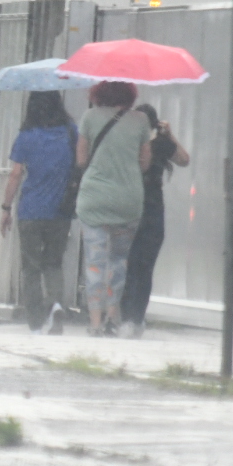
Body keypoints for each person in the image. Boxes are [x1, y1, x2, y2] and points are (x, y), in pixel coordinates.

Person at [75, 80, 152, 336]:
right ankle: (113, 318)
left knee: (95, 262)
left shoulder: (89, 117)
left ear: (99, 93)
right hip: (128, 199)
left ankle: (95, 323)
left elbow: (81, 159)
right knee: (118, 261)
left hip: (94, 198)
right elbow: (145, 163)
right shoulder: (141, 120)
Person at [0, 91, 78, 335]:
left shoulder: (27, 137)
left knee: (31, 267)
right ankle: (55, 305)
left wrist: (5, 208)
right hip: (61, 211)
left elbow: (15, 175)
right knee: (54, 263)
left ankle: (35, 322)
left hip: (31, 211)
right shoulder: (70, 132)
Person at [120, 103, 190, 336]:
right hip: (153, 210)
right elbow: (183, 159)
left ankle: (125, 316)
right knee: (145, 267)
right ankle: (137, 317)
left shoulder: (129, 144)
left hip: (129, 207)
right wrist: (170, 136)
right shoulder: (160, 145)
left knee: (128, 265)